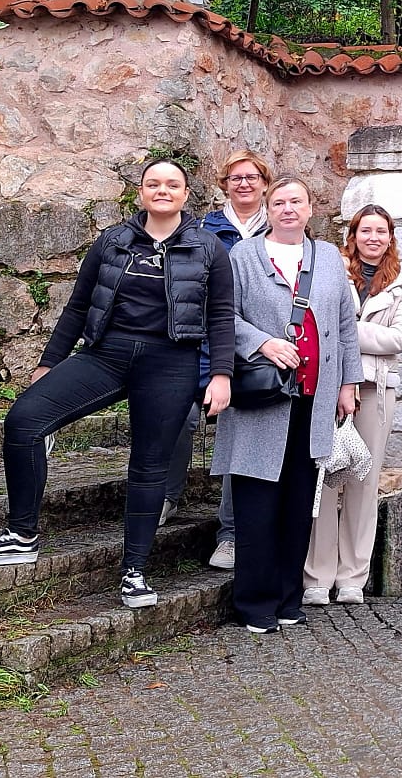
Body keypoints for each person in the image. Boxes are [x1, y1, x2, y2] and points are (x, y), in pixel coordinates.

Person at [0, 159, 234, 614]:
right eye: (153, 184)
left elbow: (221, 315)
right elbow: (78, 305)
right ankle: (22, 534)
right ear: (140, 193)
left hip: (170, 363)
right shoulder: (113, 239)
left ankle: (134, 570)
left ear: (186, 195)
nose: (162, 190)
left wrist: (221, 374)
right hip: (106, 354)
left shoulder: (208, 248)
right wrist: (49, 362)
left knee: (149, 465)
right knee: (24, 420)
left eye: (172, 185)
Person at [207, 177, 361, 633]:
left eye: (297, 201)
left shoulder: (328, 257)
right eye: (279, 202)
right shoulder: (243, 256)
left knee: (298, 503)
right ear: (268, 210)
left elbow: (345, 325)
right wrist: (263, 342)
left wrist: (348, 383)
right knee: (257, 503)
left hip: (314, 399)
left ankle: (289, 598)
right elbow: (222, 315)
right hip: (263, 397)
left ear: (310, 209)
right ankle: (254, 603)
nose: (288, 209)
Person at [302, 203, 402, 607]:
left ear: (390, 238)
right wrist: (355, 334)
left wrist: (349, 330)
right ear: (353, 235)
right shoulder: (332, 271)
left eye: (381, 232)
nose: (373, 238)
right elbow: (319, 323)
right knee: (324, 479)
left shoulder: (400, 283)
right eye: (366, 230)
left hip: (375, 389)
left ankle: (352, 577)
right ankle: (317, 576)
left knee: (363, 484)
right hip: (327, 386)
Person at [169, 150, 273, 569]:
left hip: (253, 347)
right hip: (202, 341)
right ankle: (166, 497)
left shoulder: (279, 231)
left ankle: (230, 534)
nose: (244, 184)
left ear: (264, 184)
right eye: (235, 178)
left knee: (238, 438)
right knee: (178, 417)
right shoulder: (201, 230)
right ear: (225, 185)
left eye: (251, 177)